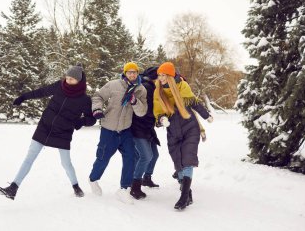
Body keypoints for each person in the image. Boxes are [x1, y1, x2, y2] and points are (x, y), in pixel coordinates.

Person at [0, 66, 96, 200]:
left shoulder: (84, 99)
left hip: (63, 132)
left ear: (78, 81)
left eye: (71, 79)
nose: (67, 80)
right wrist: (23, 97)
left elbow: (91, 119)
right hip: (45, 127)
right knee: (29, 157)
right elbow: (41, 92)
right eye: (67, 77)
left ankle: (76, 186)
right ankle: (13, 187)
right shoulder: (59, 86)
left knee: (66, 163)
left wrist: (80, 122)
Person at [153, 62, 213, 210]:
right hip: (172, 129)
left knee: (187, 159)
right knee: (177, 160)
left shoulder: (182, 87)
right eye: (159, 75)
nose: (161, 78)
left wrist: (206, 115)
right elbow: (157, 109)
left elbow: (193, 102)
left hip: (189, 126)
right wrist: (162, 119)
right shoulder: (158, 91)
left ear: (171, 76)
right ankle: (187, 191)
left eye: (164, 75)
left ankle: (184, 196)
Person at [89, 62, 147, 203]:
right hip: (109, 129)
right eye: (129, 72)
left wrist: (134, 101)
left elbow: (142, 112)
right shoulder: (113, 85)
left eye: (135, 72)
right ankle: (93, 180)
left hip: (126, 129)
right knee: (103, 157)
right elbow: (98, 97)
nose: (132, 74)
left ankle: (124, 189)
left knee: (131, 157)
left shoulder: (141, 90)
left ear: (138, 73)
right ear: (125, 73)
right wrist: (97, 109)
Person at [129, 66, 161, 200]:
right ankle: (135, 187)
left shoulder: (152, 87)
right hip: (138, 127)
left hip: (147, 127)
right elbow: (144, 109)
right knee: (146, 156)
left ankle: (147, 178)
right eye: (161, 76)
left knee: (154, 155)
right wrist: (157, 116)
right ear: (156, 77)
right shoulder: (147, 88)